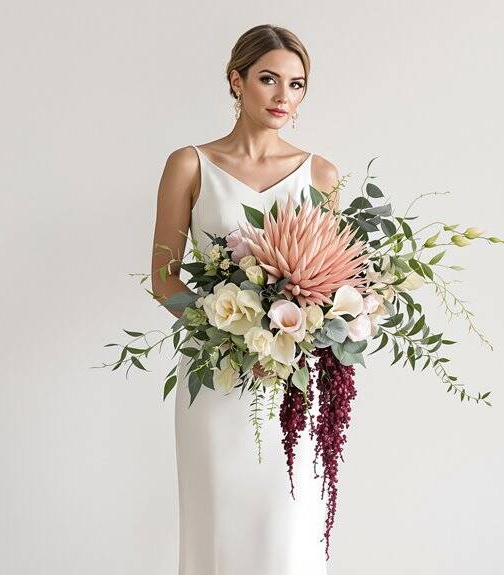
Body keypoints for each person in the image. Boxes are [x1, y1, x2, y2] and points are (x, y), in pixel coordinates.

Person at [150, 24, 342, 575]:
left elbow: (330, 284)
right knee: (218, 526)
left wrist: (295, 334)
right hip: (215, 376)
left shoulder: (320, 175)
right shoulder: (190, 164)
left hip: (290, 378)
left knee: (288, 528)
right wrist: (228, 334)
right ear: (237, 81)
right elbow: (164, 278)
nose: (284, 97)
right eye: (268, 79)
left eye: (297, 84)